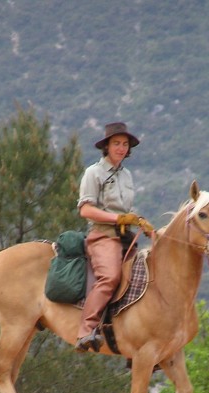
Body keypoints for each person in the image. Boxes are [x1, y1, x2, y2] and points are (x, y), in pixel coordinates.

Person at [74, 121, 153, 352]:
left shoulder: (126, 175)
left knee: (145, 278)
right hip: (102, 236)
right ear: (106, 146)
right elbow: (85, 210)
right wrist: (119, 220)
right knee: (110, 277)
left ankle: (139, 339)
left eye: (124, 144)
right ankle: (86, 331)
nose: (120, 148)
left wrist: (138, 221)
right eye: (116, 143)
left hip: (124, 238)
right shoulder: (93, 172)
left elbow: (124, 212)